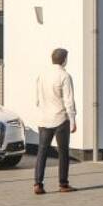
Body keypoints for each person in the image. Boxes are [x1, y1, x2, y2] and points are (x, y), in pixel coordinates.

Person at [34, 48, 77, 194]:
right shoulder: (65, 76)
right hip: (60, 118)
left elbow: (37, 98)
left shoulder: (42, 75)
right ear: (64, 60)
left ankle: (38, 184)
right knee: (63, 152)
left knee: (42, 151)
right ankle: (63, 184)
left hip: (43, 118)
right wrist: (73, 119)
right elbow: (69, 100)